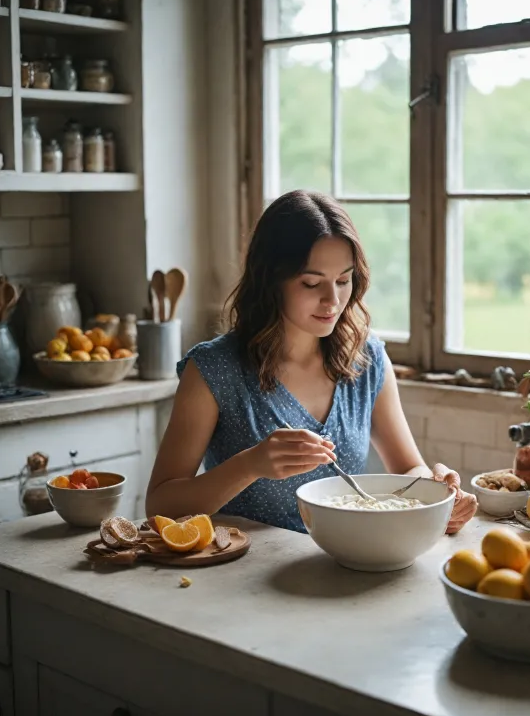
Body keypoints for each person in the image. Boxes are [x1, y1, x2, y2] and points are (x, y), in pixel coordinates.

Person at [146, 190, 477, 534]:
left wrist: (438, 488)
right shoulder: (213, 369)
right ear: (270, 281)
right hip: (241, 575)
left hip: (344, 563)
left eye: (344, 280)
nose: (332, 300)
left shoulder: (366, 358)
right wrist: (250, 465)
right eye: (311, 283)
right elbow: (159, 506)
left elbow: (410, 469)